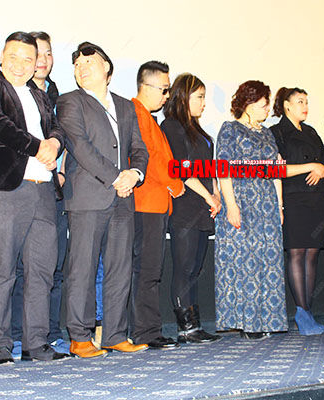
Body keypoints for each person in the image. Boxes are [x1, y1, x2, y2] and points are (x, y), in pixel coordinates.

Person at [0, 31, 68, 364]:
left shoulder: (39, 94)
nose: (20, 65)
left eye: (28, 58)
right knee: (2, 269)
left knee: (42, 270)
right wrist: (39, 147)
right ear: (1, 56)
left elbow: (56, 127)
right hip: (4, 188)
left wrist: (55, 143)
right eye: (13, 57)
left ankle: (35, 342)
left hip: (43, 190)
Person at [57, 42, 148, 357]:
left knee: (120, 268)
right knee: (81, 269)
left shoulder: (125, 105)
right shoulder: (70, 101)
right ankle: (79, 337)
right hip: (87, 197)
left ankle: (114, 335)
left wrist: (134, 174)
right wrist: (117, 178)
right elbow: (80, 147)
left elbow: (138, 148)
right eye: (77, 66)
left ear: (107, 67)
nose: (81, 69)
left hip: (123, 198)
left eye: (89, 63)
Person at [10, 30, 68, 358]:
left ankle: (50, 332)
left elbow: (64, 138)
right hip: (22, 185)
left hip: (55, 190)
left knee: (53, 266)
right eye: (38, 54)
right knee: (22, 267)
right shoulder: (13, 91)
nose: (43, 60)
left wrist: (62, 170)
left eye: (48, 54)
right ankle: (19, 335)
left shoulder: (57, 95)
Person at [215, 80, 287, 340]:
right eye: (264, 105)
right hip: (242, 200)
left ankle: (267, 319)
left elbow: (276, 171)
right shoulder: (230, 130)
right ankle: (248, 323)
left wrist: (279, 205)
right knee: (245, 262)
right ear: (248, 103)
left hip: (267, 203)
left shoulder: (267, 133)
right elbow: (223, 169)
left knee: (268, 261)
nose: (268, 110)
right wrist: (231, 205)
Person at [161, 73, 222, 344]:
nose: (203, 103)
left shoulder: (199, 131)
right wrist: (208, 196)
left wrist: (216, 194)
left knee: (195, 269)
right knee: (184, 268)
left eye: (204, 97)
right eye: (199, 97)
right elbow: (181, 169)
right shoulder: (172, 126)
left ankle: (195, 324)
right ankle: (185, 327)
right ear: (183, 97)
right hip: (185, 207)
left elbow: (209, 168)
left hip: (203, 207)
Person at [130, 61, 184, 349]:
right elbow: (150, 158)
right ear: (146, 86)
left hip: (155, 204)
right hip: (146, 204)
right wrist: (175, 184)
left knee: (150, 270)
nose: (166, 97)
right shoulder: (136, 113)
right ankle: (146, 332)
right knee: (147, 271)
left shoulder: (147, 117)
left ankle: (146, 330)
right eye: (164, 90)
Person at [269, 87, 324, 335]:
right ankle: (302, 312)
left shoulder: (312, 131)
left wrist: (322, 170)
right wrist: (311, 166)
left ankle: (308, 310)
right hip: (294, 199)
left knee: (312, 255)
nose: (305, 106)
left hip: (316, 200)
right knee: (296, 254)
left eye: (306, 101)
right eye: (299, 102)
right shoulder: (277, 133)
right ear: (286, 105)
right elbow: (277, 169)